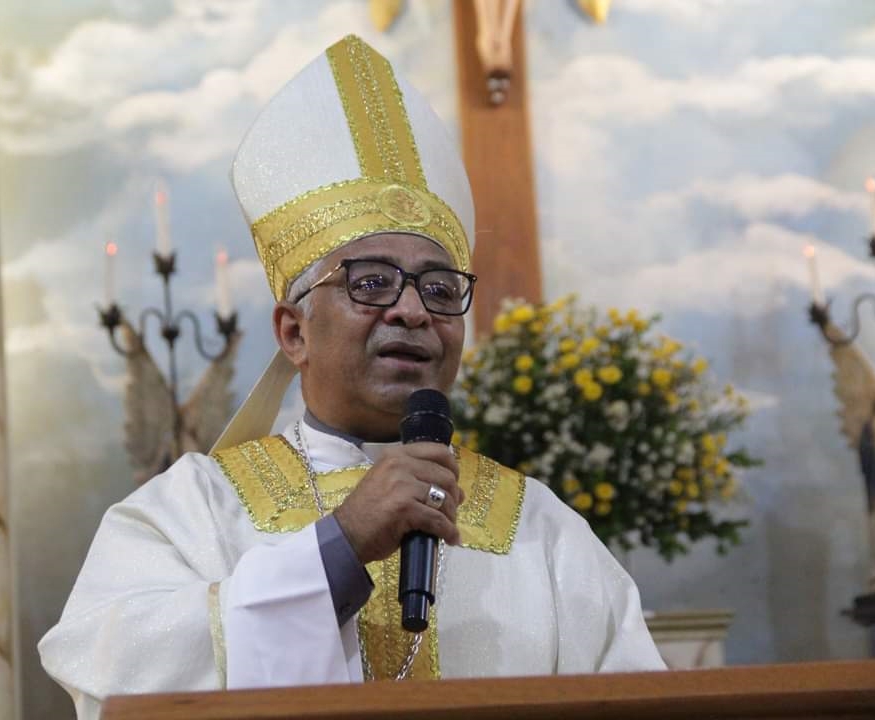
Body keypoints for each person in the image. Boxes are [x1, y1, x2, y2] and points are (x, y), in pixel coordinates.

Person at [39, 34, 664, 718]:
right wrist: (337, 549)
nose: (411, 310)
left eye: (437, 287)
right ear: (293, 331)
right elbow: (112, 675)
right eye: (371, 282)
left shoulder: (542, 530)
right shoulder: (192, 511)